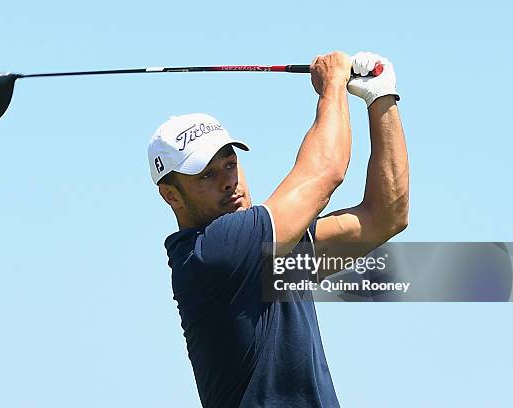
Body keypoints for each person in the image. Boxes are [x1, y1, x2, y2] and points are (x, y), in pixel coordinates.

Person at [147, 51, 409, 408]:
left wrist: (381, 99)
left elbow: (386, 216)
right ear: (171, 195)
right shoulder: (214, 255)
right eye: (207, 174)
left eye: (230, 163)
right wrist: (332, 83)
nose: (229, 181)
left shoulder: (265, 252)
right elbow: (326, 171)